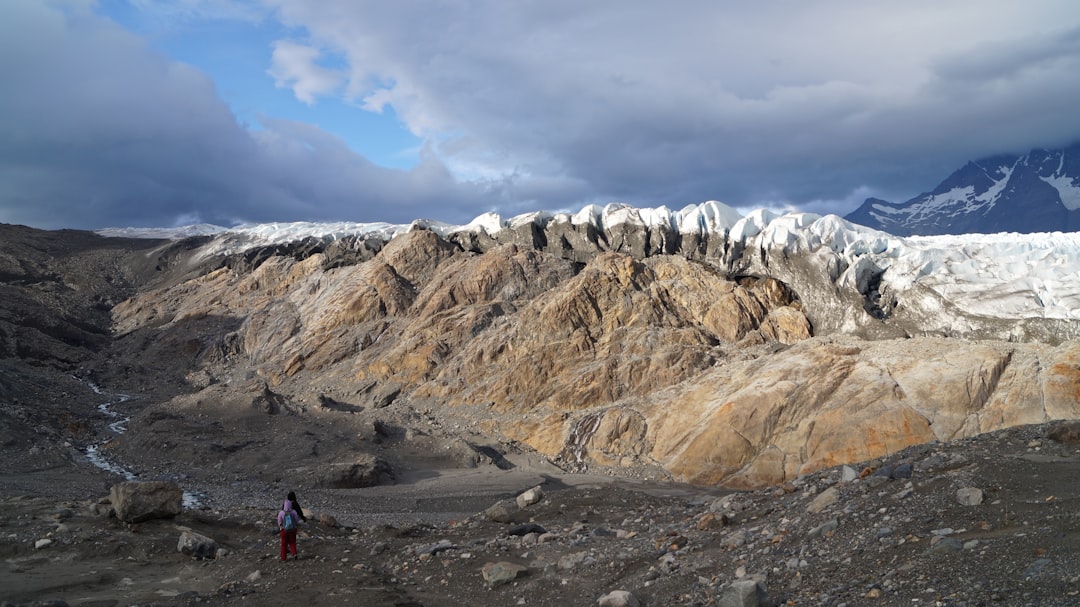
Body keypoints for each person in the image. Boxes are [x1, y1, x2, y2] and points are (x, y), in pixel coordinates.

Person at [277, 492, 303, 561]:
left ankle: (283, 558)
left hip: (284, 530)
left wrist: (280, 526)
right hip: (293, 530)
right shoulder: (294, 512)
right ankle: (294, 554)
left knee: (283, 544)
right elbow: (297, 520)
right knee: (292, 542)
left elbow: (279, 521)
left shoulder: (281, 512)